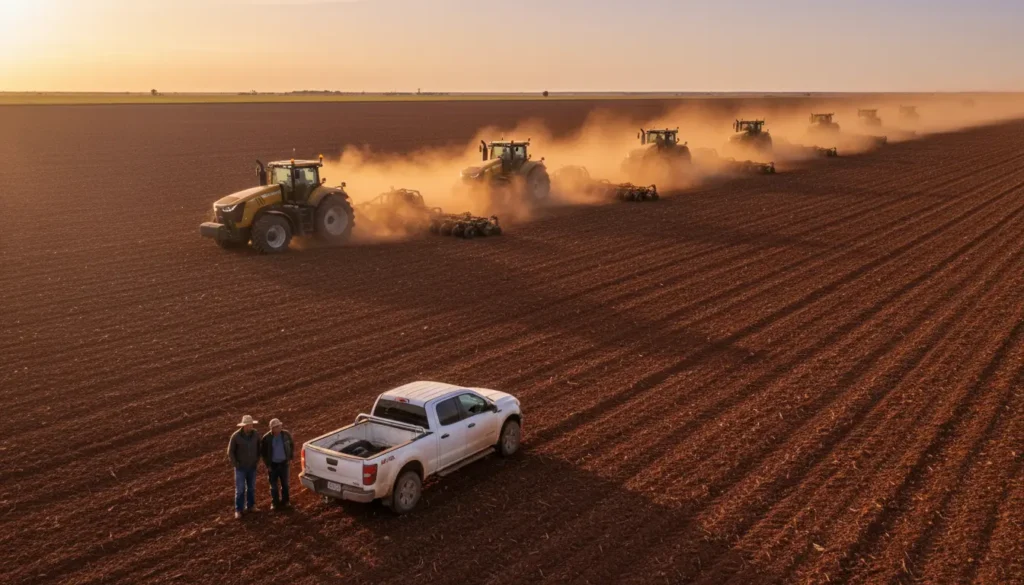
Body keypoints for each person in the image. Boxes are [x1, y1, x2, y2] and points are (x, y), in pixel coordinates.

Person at [227, 415, 261, 519]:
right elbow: (230, 452)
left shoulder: (255, 434)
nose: (250, 426)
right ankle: (238, 510)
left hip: (252, 466)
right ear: (244, 425)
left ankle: (251, 506)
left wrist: (257, 460)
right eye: (248, 425)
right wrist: (236, 464)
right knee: (240, 489)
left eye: (251, 424)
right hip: (240, 468)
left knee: (251, 488)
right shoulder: (236, 436)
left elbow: (259, 447)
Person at [260, 418, 294, 510]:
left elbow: (291, 445)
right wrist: (268, 465)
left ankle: (286, 501)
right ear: (273, 428)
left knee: (285, 484)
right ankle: (275, 503)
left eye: (280, 426)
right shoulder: (266, 438)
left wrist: (290, 458)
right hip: (273, 465)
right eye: (278, 426)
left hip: (284, 464)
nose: (280, 427)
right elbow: (263, 453)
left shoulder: (286, 434)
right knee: (274, 486)